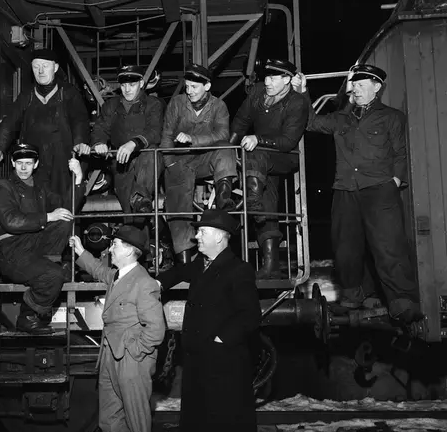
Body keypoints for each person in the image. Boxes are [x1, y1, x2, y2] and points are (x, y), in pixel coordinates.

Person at [293, 64, 421, 323]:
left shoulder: (392, 117)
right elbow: (310, 123)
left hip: (380, 189)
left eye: (362, 85)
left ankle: (402, 301)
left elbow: (400, 153)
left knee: (389, 247)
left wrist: (394, 181)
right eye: (355, 86)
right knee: (345, 247)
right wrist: (303, 92)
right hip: (345, 190)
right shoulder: (342, 119)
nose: (357, 90)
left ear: (377, 87)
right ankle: (352, 295)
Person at [156, 209, 261, 432]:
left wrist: (221, 339)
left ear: (220, 237)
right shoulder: (202, 264)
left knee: (222, 419)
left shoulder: (239, 269)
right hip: (198, 361)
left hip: (222, 363)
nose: (197, 237)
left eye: (203, 231)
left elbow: (250, 315)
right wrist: (157, 283)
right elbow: (180, 272)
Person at [69, 226, 166, 432]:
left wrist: (134, 351)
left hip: (131, 360)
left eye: (115, 244)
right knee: (109, 418)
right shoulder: (117, 276)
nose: (110, 249)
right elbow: (99, 270)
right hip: (110, 356)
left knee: (136, 419)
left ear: (129, 250)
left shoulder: (144, 283)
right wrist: (80, 251)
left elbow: (156, 329)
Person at [0, 143, 85, 333]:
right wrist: (48, 216)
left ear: (36, 164)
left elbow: (65, 210)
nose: (23, 168)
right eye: (19, 163)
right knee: (54, 275)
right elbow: (11, 221)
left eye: (28, 163)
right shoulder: (2, 186)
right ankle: (27, 316)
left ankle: (49, 267)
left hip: (33, 248)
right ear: (12, 163)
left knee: (64, 219)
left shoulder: (40, 189)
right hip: (11, 251)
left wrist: (79, 178)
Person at [229, 58, 309, 277]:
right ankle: (271, 267)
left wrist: (258, 139)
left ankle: (252, 202)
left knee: (256, 157)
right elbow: (241, 120)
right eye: (266, 77)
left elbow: (288, 141)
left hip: (284, 156)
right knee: (268, 205)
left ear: (287, 80)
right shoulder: (257, 92)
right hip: (259, 163)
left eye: (273, 78)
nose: (267, 82)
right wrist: (228, 149)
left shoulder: (297, 103)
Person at [0, 48, 90, 199]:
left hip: (61, 158)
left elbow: (79, 120)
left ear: (55, 68)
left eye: (45, 66)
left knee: (63, 199)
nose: (40, 71)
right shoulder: (27, 95)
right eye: (36, 67)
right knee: (35, 199)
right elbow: (10, 122)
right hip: (35, 159)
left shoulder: (68, 92)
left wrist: (80, 142)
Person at [161, 63, 238, 264]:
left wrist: (192, 139)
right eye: (187, 86)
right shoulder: (177, 103)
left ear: (207, 86)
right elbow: (166, 135)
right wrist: (169, 164)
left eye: (194, 87)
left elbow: (223, 134)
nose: (189, 91)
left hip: (205, 159)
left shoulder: (219, 106)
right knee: (178, 205)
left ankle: (224, 197)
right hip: (180, 162)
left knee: (226, 147)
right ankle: (185, 261)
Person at [91, 65, 164, 216]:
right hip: (121, 162)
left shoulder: (153, 104)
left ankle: (140, 198)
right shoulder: (111, 105)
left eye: (132, 85)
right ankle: (140, 207)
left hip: (146, 160)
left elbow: (154, 132)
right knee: (132, 213)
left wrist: (134, 143)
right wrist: (99, 143)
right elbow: (100, 128)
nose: (127, 90)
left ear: (141, 83)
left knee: (151, 153)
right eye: (123, 85)